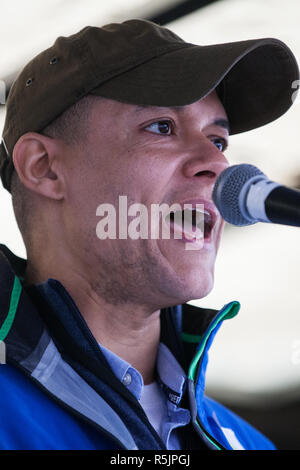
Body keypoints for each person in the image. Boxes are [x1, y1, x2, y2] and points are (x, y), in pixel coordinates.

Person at [0, 19, 298, 451]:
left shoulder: (250, 444)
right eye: (162, 127)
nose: (216, 164)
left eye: (218, 140)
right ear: (43, 166)